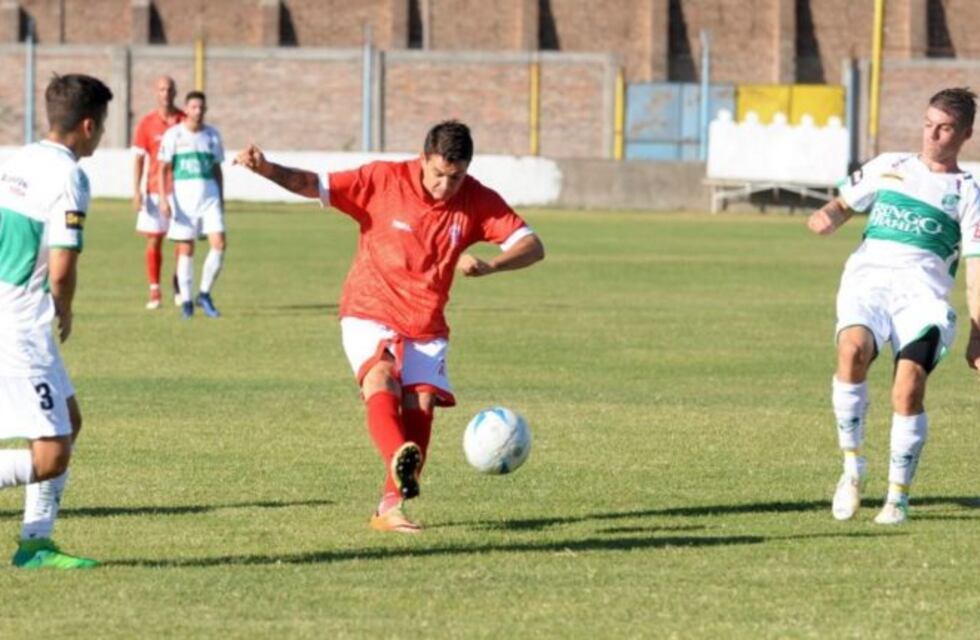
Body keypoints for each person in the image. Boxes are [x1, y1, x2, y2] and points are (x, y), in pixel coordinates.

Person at [234, 120, 545, 533]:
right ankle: (399, 454)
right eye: (438, 174)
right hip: (369, 308)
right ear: (423, 158)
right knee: (380, 377)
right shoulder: (382, 180)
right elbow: (314, 184)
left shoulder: (476, 199)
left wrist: (492, 265)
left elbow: (532, 245)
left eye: (455, 178)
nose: (445, 186)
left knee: (422, 404)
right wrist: (266, 168)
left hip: (426, 321)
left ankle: (390, 508)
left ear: (467, 170)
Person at [807, 87, 980, 525]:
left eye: (945, 129)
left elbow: (977, 269)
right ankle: (852, 469)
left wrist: (978, 334)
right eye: (928, 124)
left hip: (923, 298)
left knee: (907, 388)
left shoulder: (968, 192)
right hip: (868, 283)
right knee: (851, 351)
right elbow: (844, 204)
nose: (932, 135)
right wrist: (828, 217)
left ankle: (897, 497)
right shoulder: (889, 165)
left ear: (966, 135)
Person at [0, 73, 113, 568]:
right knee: (51, 455)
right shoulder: (70, 176)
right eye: (103, 125)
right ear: (88, 125)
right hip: (21, 324)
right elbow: (62, 269)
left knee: (68, 421)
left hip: (7, 311)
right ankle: (34, 544)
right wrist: (63, 305)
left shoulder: (16, 160)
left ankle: (35, 543)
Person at [158, 91, 226, 319]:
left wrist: (221, 197)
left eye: (201, 107)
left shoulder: (212, 135)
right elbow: (163, 168)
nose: (198, 111)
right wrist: (164, 198)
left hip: (210, 198)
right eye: (194, 107)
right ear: (186, 109)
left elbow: (217, 169)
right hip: (184, 201)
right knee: (186, 249)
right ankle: (187, 301)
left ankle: (204, 294)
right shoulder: (174, 135)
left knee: (219, 243)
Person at [132, 75, 185, 310]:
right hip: (154, 190)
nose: (166, 94)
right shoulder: (147, 123)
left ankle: (179, 284)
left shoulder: (184, 121)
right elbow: (139, 159)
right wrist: (136, 191)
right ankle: (154, 290)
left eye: (170, 89)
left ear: (175, 92)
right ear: (156, 92)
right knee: (154, 239)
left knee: (182, 240)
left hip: (181, 191)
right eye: (162, 89)